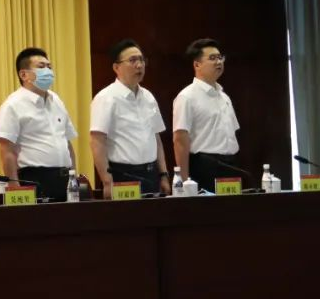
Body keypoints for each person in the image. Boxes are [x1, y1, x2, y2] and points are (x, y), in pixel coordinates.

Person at [0, 47, 78, 202]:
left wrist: (74, 176)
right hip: (34, 179)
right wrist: (14, 186)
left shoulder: (56, 100)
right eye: (41, 67)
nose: (48, 71)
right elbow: (6, 149)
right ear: (24, 75)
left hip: (65, 178)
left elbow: (67, 142)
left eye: (49, 67)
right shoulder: (13, 105)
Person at [89, 39, 170, 198]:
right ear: (116, 67)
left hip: (151, 174)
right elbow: (96, 140)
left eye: (141, 60)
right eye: (132, 60)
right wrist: (107, 181)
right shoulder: (106, 98)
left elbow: (156, 138)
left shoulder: (148, 97)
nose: (139, 65)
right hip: (123, 176)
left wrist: (163, 175)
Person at [173, 38, 240, 192]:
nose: (219, 62)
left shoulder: (224, 97)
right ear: (197, 64)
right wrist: (184, 181)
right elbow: (180, 140)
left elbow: (232, 134)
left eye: (220, 57)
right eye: (212, 58)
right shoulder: (187, 97)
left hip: (230, 166)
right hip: (204, 167)